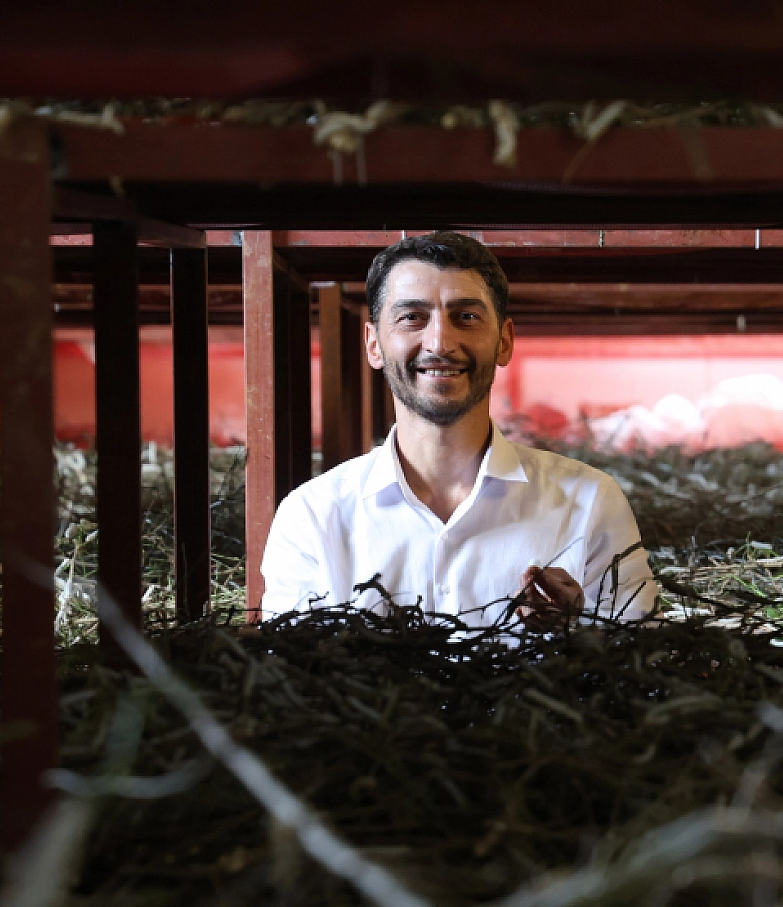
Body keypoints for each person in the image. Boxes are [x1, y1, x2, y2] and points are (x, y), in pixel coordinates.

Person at [260, 232, 657, 628]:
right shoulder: (312, 517)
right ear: (374, 345)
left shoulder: (589, 504)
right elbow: (289, 663)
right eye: (412, 318)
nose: (440, 343)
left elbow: (641, 654)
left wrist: (576, 631)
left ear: (504, 342)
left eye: (466, 317)